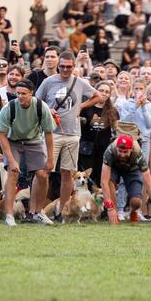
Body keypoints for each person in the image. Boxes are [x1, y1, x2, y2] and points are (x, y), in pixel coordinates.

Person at [36, 51, 100, 219]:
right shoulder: (48, 81)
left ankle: (63, 212)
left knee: (67, 174)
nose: (65, 69)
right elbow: (36, 101)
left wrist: (81, 106)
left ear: (74, 66)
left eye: (69, 67)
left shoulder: (80, 82)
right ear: (58, 65)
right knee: (44, 172)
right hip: (52, 133)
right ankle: (36, 211)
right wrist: (47, 109)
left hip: (72, 134)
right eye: (62, 66)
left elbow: (98, 96)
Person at [0, 79, 55, 226]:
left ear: (31, 93)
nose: (20, 97)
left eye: (24, 94)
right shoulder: (9, 107)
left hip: (34, 140)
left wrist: (50, 158)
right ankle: (9, 215)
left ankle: (37, 212)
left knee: (42, 175)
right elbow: (1, 134)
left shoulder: (41, 107)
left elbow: (48, 133)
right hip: (13, 141)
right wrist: (11, 160)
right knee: (13, 173)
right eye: (18, 94)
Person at [100, 135, 151, 224]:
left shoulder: (138, 154)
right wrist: (110, 208)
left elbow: (149, 184)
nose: (122, 154)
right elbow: (103, 182)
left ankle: (133, 211)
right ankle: (115, 214)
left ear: (131, 149)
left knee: (136, 201)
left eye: (125, 152)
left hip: (132, 169)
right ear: (116, 148)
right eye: (120, 151)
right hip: (114, 167)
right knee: (110, 182)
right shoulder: (110, 151)